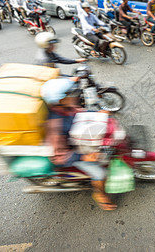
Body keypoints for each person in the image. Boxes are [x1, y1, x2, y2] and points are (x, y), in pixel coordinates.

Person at [41, 78, 117, 210]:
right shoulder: (56, 125)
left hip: (80, 141)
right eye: (70, 93)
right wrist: (83, 157)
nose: (75, 95)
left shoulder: (66, 107)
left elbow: (80, 113)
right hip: (71, 154)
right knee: (100, 173)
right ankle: (100, 196)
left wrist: (98, 113)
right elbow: (58, 156)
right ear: (60, 100)